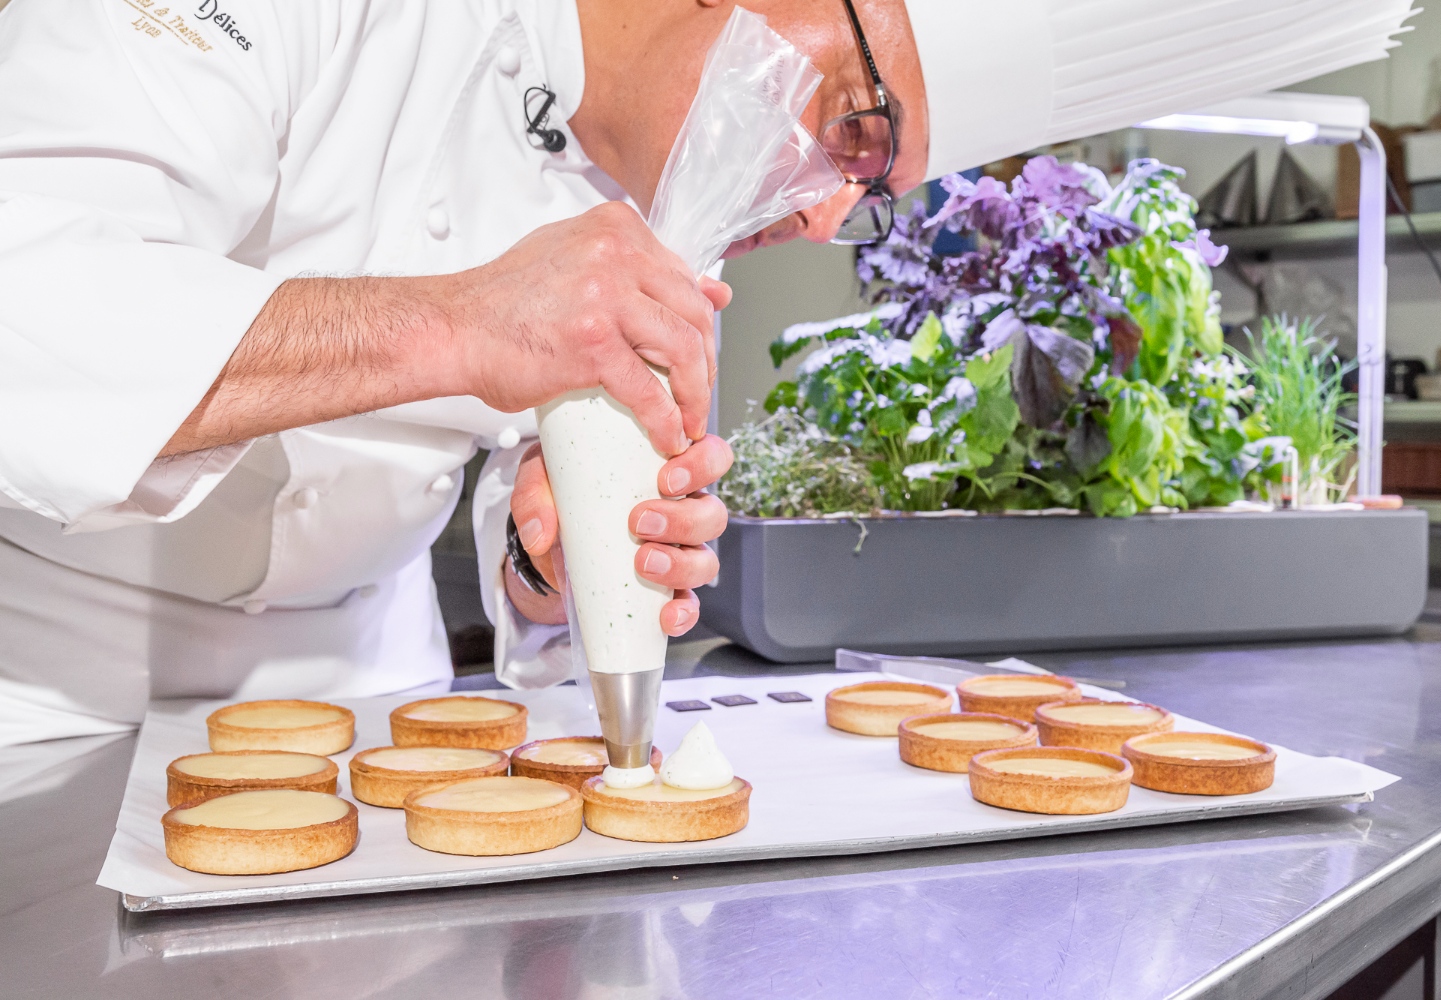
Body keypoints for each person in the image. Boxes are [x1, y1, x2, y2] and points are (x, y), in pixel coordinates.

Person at [0, 0, 929, 746]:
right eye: (856, 119)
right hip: (55, 691)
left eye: (871, 195)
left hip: (381, 702)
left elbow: (517, 515)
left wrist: (552, 559)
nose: (822, 219)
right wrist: (458, 323)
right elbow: (27, 301)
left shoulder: (684, 207)